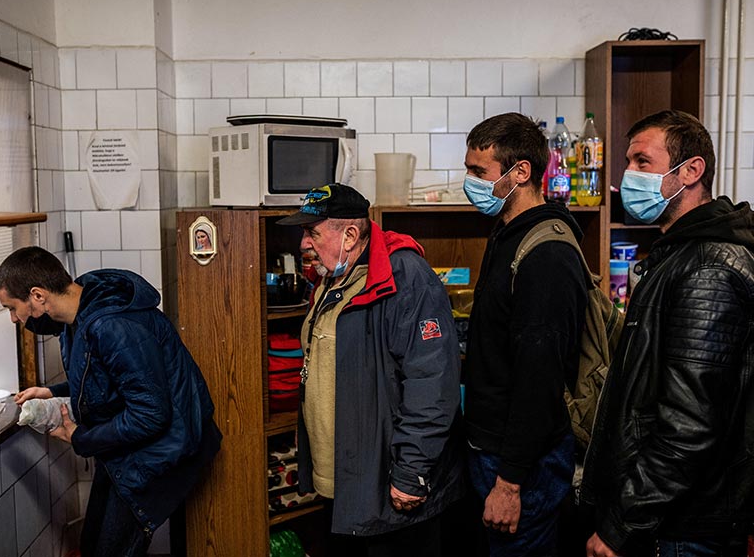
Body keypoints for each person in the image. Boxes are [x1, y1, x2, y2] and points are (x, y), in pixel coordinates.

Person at [583, 110, 754, 557]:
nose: (628, 176)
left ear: (692, 171)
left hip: (685, 524)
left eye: (642, 162)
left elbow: (690, 424)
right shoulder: (680, 254)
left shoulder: (708, 270)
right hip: (669, 517)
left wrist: (623, 522)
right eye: (627, 163)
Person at [0, 247, 222, 557]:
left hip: (163, 448)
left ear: (38, 295)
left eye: (11, 307)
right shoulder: (80, 307)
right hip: (135, 446)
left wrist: (80, 438)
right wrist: (54, 391)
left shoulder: (111, 326)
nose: (12, 319)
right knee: (94, 545)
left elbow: (150, 414)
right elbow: (106, 378)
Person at [277, 183, 466, 556]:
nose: (302, 244)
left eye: (312, 232)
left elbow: (432, 385)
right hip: (346, 483)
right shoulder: (333, 278)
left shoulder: (407, 278)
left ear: (350, 235)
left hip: (390, 489)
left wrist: (411, 472)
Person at [461, 112, 588, 555]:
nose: (470, 182)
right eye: (468, 170)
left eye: (479, 172)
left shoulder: (546, 254)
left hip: (522, 468)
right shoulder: (506, 234)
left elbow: (540, 379)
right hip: (492, 452)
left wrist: (510, 483)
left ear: (520, 173)